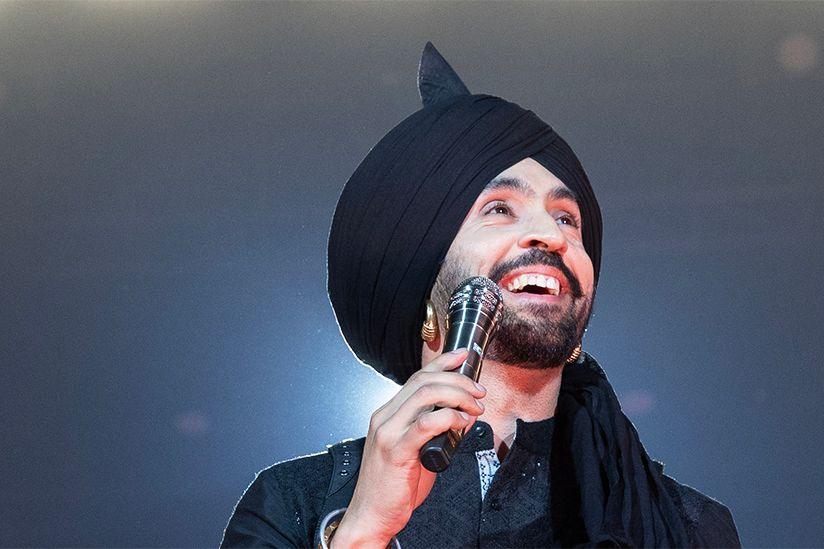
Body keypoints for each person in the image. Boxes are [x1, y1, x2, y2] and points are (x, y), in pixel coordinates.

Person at [221, 42, 740, 548]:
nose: (552, 235)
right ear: (421, 278)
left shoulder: (683, 527)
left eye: (566, 218)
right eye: (499, 209)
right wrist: (362, 534)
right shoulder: (296, 506)